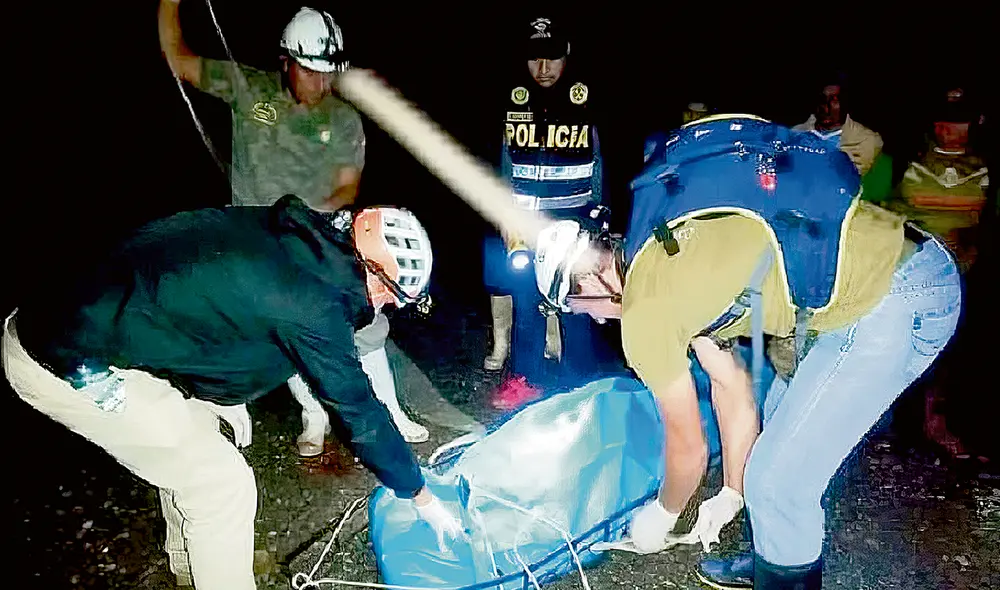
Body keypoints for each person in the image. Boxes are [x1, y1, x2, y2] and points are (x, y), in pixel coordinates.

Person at [533, 115, 961, 589]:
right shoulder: (655, 250)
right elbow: (730, 386)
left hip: (897, 296)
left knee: (779, 484)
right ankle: (773, 553)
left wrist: (663, 514)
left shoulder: (644, 312)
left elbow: (689, 451)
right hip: (900, 263)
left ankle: (782, 566)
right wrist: (732, 492)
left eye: (577, 306)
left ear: (589, 279)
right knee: (773, 436)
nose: (593, 319)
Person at [2, 196, 462, 590]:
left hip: (92, 326)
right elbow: (359, 411)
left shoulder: (295, 237)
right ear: (376, 276)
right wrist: (419, 493)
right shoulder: (314, 303)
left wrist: (218, 395)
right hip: (68, 361)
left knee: (192, 452)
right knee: (221, 485)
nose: (384, 309)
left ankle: (191, 566)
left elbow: (220, 308)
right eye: (391, 300)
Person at [157, 1, 429, 450]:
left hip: (319, 238)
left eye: (328, 73)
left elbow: (347, 187)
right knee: (286, 331)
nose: (320, 83)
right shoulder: (248, 88)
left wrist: (315, 227)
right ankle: (313, 416)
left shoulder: (343, 118)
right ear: (285, 61)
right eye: (309, 71)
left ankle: (391, 412)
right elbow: (178, 58)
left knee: (366, 326)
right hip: (258, 244)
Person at [483, 15, 614, 410]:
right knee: (526, 305)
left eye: (552, 57)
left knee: (576, 306)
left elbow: (603, 160)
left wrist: (598, 219)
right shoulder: (511, 98)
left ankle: (581, 385)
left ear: (567, 54)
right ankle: (526, 381)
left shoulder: (588, 97)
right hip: (525, 226)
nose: (542, 68)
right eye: (534, 58)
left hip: (574, 225)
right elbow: (501, 162)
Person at [792, 72, 891, 201]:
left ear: (846, 103)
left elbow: (850, 180)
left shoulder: (866, 140)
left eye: (834, 100)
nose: (826, 107)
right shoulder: (795, 133)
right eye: (822, 99)